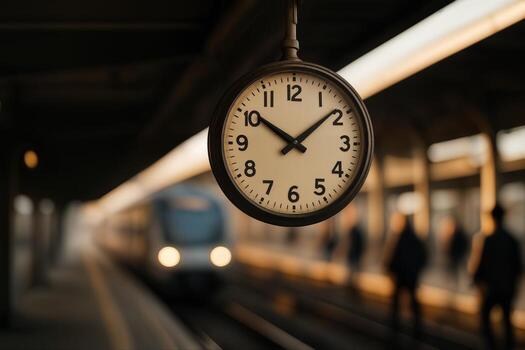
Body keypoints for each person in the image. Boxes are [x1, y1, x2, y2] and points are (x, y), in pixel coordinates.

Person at [474, 204, 522, 350]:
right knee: (507, 322)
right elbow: (518, 266)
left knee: (485, 319)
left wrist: (477, 280)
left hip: (491, 289)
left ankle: (492, 346)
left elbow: (481, 265)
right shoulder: (512, 240)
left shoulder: (489, 240)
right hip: (507, 288)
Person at [384, 212, 427, 335]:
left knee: (396, 303)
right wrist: (416, 270)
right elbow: (423, 256)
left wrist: (389, 270)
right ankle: (417, 326)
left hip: (399, 276)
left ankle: (395, 327)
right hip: (411, 276)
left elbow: (390, 257)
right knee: (413, 302)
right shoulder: (414, 237)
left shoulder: (396, 238)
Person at [441, 216, 468, 288]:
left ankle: (454, 283)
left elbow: (462, 245)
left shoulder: (458, 235)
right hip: (454, 255)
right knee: (452, 269)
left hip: (456, 255)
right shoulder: (453, 234)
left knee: (455, 269)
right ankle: (452, 282)